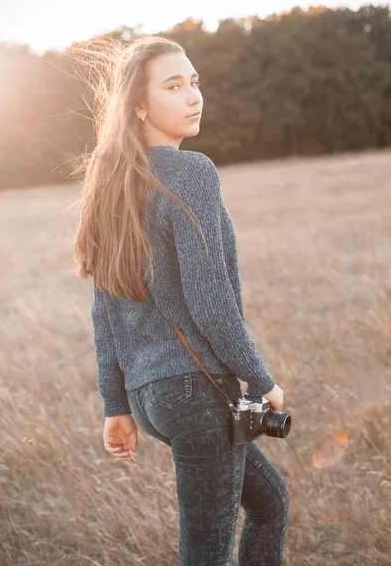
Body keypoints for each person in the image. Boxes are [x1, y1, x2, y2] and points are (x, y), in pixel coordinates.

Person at [72, 34, 290, 565]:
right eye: (174, 86)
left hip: (153, 400)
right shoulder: (191, 172)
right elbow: (210, 301)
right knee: (205, 555)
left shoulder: (113, 183)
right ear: (140, 106)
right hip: (196, 395)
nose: (194, 95)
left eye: (194, 82)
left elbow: (106, 312)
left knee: (270, 502)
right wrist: (263, 381)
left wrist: (118, 405)